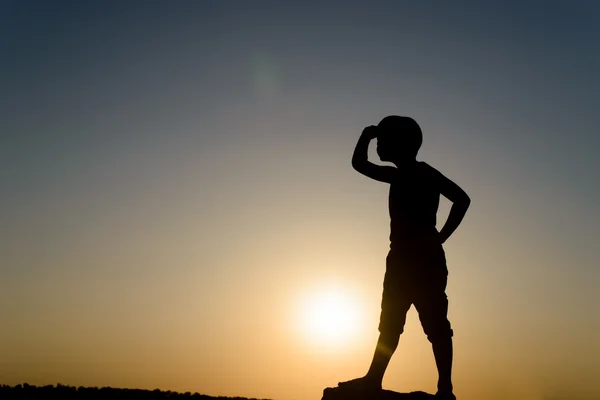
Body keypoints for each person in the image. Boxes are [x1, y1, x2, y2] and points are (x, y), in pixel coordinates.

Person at [339, 116, 470, 400]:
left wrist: (441, 236)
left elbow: (462, 199)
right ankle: (374, 379)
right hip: (401, 259)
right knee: (391, 321)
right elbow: (359, 165)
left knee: (435, 324)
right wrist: (367, 136)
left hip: (423, 259)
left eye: (383, 140)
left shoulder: (422, 173)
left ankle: (445, 388)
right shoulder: (398, 174)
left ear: (399, 143)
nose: (379, 145)